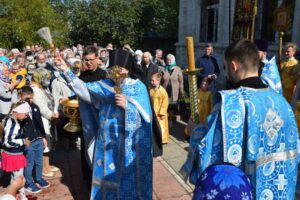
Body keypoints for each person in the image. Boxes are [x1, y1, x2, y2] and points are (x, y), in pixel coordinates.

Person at [181, 39, 299, 199]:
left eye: (225, 66)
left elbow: (210, 159)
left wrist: (195, 131)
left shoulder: (230, 105)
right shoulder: (282, 103)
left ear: (233, 66)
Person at [60, 49, 153, 200]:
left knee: (126, 177)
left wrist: (127, 107)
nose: (115, 73)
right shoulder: (104, 84)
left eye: (120, 70)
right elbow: (84, 90)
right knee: (106, 177)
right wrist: (66, 71)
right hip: (107, 139)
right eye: (112, 69)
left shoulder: (138, 88)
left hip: (127, 143)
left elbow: (146, 119)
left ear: (127, 69)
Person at [19, 86, 50, 194]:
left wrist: (43, 137)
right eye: (27, 98)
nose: (30, 100)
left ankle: (38, 178)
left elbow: (39, 124)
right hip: (29, 141)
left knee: (39, 161)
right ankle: (28, 183)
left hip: (38, 139)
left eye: (31, 98)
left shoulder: (35, 107)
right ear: (21, 97)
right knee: (29, 163)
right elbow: (19, 127)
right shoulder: (19, 110)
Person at [30, 68, 59, 177]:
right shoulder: (35, 89)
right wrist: (52, 117)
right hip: (42, 120)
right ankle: (43, 169)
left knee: (49, 144)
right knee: (44, 145)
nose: (48, 79)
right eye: (46, 77)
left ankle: (48, 165)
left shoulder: (42, 87)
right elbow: (41, 108)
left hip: (49, 118)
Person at [1, 102, 31, 200]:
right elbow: (8, 141)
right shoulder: (13, 123)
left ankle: (14, 196)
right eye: (26, 114)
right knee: (19, 179)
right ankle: (22, 197)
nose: (26, 117)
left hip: (11, 154)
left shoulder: (11, 120)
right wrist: (23, 141)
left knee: (14, 178)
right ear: (19, 112)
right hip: (14, 155)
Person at [149, 73, 169, 144]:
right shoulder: (150, 90)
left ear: (158, 81)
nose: (151, 82)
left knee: (161, 126)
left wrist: (162, 112)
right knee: (153, 125)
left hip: (160, 113)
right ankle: (154, 137)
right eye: (151, 81)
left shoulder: (162, 91)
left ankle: (162, 139)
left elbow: (165, 102)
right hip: (152, 111)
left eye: (153, 81)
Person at [163, 54, 183, 122]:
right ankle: (165, 119)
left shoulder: (178, 69)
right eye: (167, 60)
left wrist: (181, 91)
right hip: (165, 90)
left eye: (170, 60)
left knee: (172, 106)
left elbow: (181, 81)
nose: (168, 61)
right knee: (166, 106)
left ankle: (171, 119)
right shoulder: (164, 69)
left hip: (174, 91)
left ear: (173, 60)